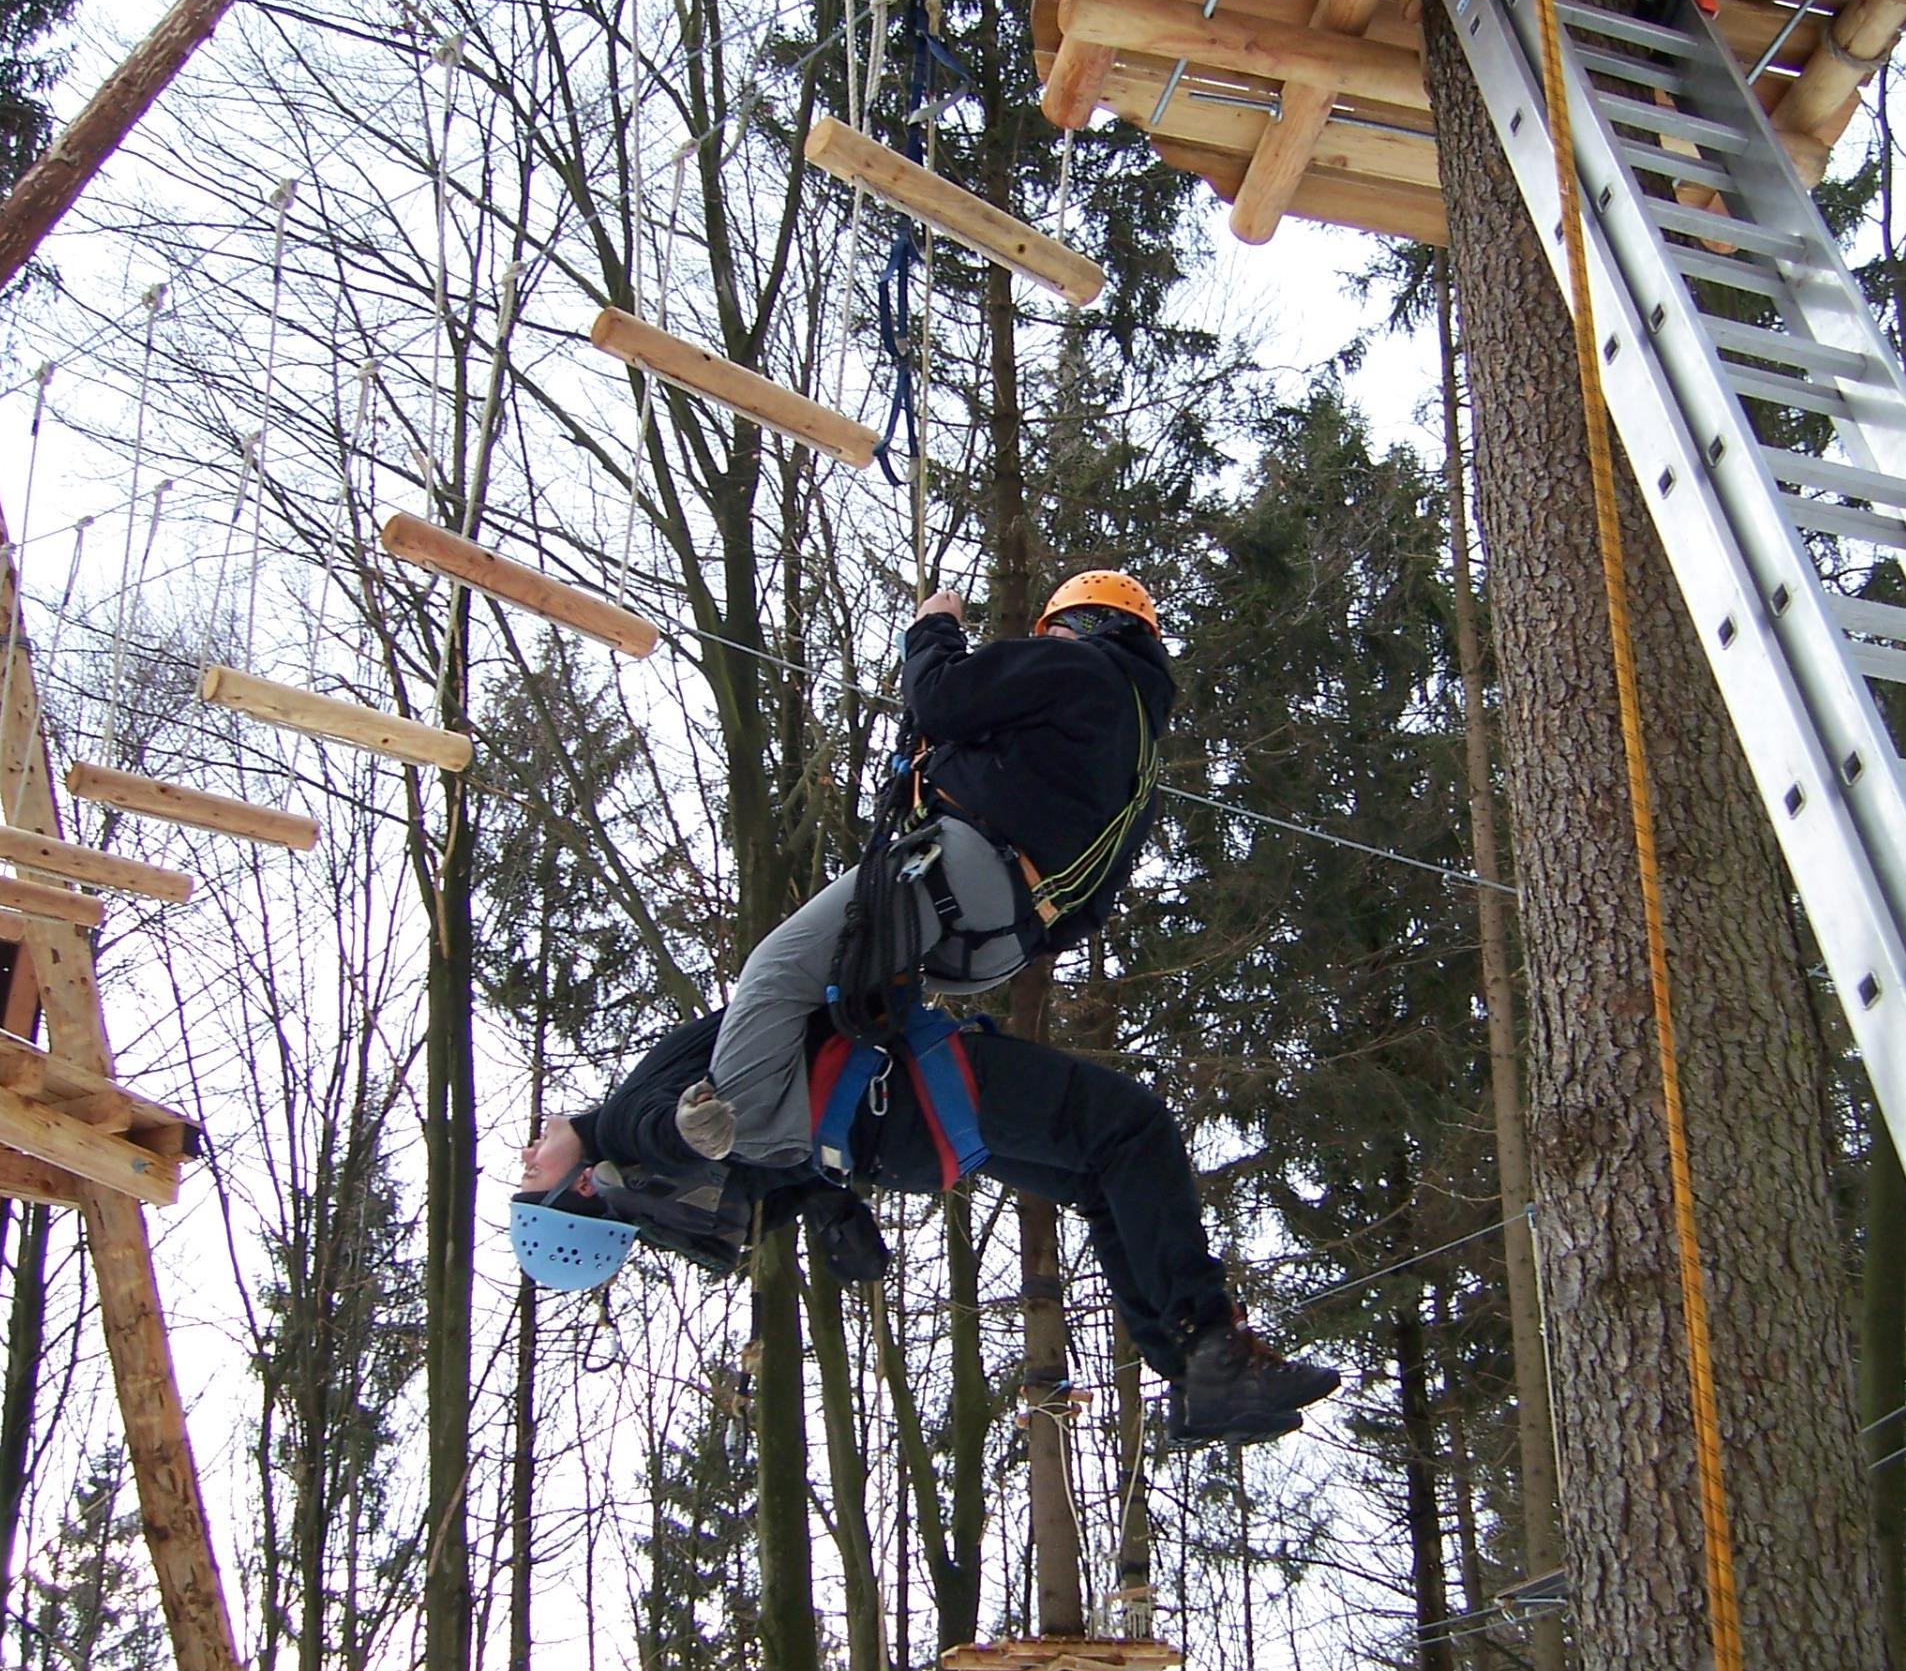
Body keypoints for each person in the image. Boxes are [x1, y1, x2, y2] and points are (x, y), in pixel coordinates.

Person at [512, 1004, 1340, 1445]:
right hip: (902, 1089)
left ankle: (1196, 1377)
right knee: (1131, 1130)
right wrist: (678, 1126)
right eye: (529, 1177)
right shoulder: (629, 1127)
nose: (525, 1151)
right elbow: (673, 1121)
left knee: (1100, 1175)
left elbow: (765, 1167)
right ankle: (1212, 1354)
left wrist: (828, 1206)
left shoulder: (662, 1199)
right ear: (578, 1192)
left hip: (897, 1132)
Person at [648, 569, 1178, 1180]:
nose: (1050, 639)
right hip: (1001, 942)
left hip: (963, 872)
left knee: (778, 971)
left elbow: (943, 699)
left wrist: (935, 626)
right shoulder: (1140, 762)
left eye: (1056, 627)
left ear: (1085, 624)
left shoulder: (1084, 670)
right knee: (837, 999)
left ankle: (745, 1143)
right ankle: (816, 1122)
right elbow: (1092, 901)